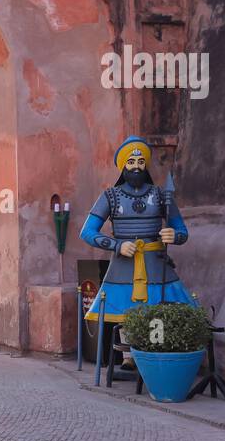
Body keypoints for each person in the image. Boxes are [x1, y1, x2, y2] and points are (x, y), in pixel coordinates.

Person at [80, 135, 197, 323]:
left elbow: (182, 232)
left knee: (164, 320)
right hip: (122, 268)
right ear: (124, 165)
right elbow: (87, 232)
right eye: (131, 161)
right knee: (123, 324)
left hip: (157, 268)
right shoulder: (110, 196)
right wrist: (117, 245)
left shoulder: (160, 195)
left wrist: (174, 235)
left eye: (141, 161)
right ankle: (129, 354)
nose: (136, 166)